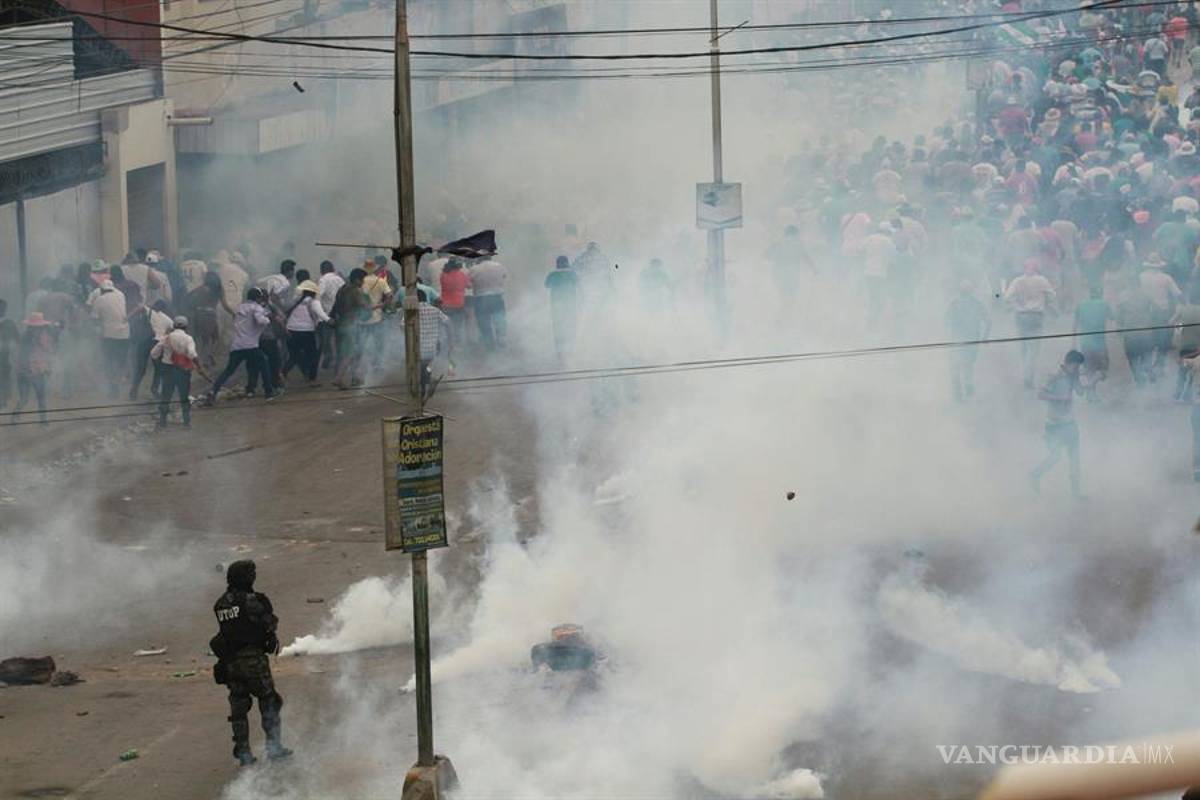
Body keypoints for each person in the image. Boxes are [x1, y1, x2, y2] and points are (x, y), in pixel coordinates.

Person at [211, 560, 291, 766]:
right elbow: (269, 624)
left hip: (230, 662)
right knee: (269, 701)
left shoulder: (221, 603)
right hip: (253, 660)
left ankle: (244, 753)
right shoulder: (254, 600)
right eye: (251, 573)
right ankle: (274, 748)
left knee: (238, 707)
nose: (254, 576)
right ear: (245, 577)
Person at [1030, 350, 1086, 498]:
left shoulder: (1073, 375)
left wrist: (1078, 378)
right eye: (1076, 366)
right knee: (1055, 457)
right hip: (1054, 425)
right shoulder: (1053, 376)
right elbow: (1040, 394)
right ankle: (1034, 475)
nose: (1078, 368)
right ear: (1068, 363)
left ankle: (1076, 494)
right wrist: (1059, 398)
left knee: (1075, 459)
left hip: (1070, 423)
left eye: (1079, 367)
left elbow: (1080, 392)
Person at [206, 288, 276, 402]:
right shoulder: (256, 308)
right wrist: (268, 318)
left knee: (228, 371)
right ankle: (269, 393)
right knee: (264, 365)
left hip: (237, 346)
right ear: (258, 298)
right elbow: (261, 321)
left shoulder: (239, 307)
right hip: (251, 346)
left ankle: (213, 391)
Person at [1004, 260, 1057, 388]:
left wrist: (1017, 303)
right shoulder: (1041, 280)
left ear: (1024, 268)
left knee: (1024, 348)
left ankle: (1026, 374)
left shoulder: (1017, 281)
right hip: (1036, 316)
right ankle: (1028, 377)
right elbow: (1052, 296)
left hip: (1021, 316)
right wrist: (1044, 301)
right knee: (1033, 350)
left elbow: (1007, 297)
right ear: (1036, 268)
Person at [1138, 253, 1182, 376]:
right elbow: (1178, 294)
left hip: (1145, 313)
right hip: (1162, 313)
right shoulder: (1166, 278)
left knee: (1147, 339)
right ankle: (1159, 366)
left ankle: (1146, 365)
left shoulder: (1140, 277)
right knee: (1163, 341)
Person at [945, 281, 989, 401]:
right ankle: (968, 385)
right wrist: (985, 337)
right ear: (972, 292)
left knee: (955, 365)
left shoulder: (954, 303)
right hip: (972, 339)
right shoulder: (978, 304)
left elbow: (945, 321)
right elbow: (987, 320)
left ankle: (958, 393)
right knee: (968, 364)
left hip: (957, 339)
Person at [151, 316, 198, 429]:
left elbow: (154, 354)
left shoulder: (166, 338)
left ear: (174, 326)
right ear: (186, 326)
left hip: (168, 370)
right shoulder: (188, 338)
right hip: (183, 371)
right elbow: (192, 354)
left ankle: (163, 422)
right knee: (184, 396)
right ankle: (186, 423)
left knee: (166, 396)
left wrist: (161, 363)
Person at [281, 280, 328, 385]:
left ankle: (283, 372)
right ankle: (312, 379)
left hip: (291, 331)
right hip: (306, 332)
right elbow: (322, 315)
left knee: (295, 356)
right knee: (313, 356)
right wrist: (330, 321)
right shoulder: (313, 302)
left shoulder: (296, 301)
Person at [12, 312, 55, 425]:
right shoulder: (39, 338)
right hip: (32, 372)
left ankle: (42, 420)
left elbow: (47, 355)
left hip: (29, 372)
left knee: (29, 398)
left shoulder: (27, 337)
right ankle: (43, 421)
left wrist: (47, 368)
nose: (37, 329)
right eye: (36, 327)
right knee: (33, 398)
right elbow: (47, 353)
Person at [1073, 286, 1114, 402]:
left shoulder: (1081, 305)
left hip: (1085, 343)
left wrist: (1073, 343)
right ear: (1101, 293)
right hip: (1100, 344)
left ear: (1089, 294)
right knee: (1103, 371)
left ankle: (1092, 395)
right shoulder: (1104, 304)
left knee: (1090, 369)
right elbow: (1113, 318)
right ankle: (1089, 386)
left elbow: (1075, 325)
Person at [90, 279, 129, 399]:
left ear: (102, 290)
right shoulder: (121, 295)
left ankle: (113, 387)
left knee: (109, 361)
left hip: (109, 335)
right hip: (124, 334)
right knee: (120, 361)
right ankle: (119, 381)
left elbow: (94, 318)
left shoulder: (100, 299)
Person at [331, 268, 369, 389]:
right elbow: (364, 306)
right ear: (357, 279)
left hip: (341, 324)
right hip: (351, 325)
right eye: (362, 280)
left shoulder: (342, 289)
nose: (363, 282)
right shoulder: (356, 291)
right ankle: (339, 379)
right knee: (350, 353)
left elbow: (335, 306)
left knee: (348, 352)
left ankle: (354, 377)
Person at [359, 258, 393, 372]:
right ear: (375, 268)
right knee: (378, 342)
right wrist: (381, 306)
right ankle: (376, 364)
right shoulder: (381, 281)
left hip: (362, 318)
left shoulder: (360, 281)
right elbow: (390, 295)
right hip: (377, 317)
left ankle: (361, 366)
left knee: (361, 343)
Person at [416, 288, 450, 401]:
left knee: (420, 368)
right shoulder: (435, 310)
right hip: (433, 345)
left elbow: (402, 325)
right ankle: (428, 384)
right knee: (427, 366)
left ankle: (425, 387)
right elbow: (447, 322)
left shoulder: (412, 311)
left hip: (418, 346)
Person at [469, 257, 507, 350]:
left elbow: (470, 284)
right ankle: (501, 340)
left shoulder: (474, 269)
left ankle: (489, 345)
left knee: (484, 323)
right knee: (499, 319)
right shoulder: (499, 266)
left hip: (481, 298)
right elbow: (504, 277)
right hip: (497, 297)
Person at [545, 255, 579, 360]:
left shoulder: (552, 275)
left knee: (558, 328)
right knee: (571, 326)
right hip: (571, 304)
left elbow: (547, 286)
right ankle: (571, 349)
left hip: (556, 305)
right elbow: (577, 285)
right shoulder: (573, 274)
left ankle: (560, 351)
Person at [1174, 284, 1200, 400]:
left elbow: (1176, 326)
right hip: (1197, 346)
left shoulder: (1183, 310)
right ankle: (1188, 395)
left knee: (1182, 371)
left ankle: (1178, 394)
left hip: (1184, 345)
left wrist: (1177, 343)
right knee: (1194, 371)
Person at [317, 261, 344, 371]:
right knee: (339, 340)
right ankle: (338, 362)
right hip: (340, 315)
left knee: (325, 340)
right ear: (332, 268)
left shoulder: (323, 280)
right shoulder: (339, 279)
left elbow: (318, 295)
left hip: (327, 315)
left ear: (321, 270)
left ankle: (328, 358)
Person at [439, 259, 471, 347]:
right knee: (458, 325)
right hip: (459, 304)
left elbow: (442, 285)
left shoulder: (443, 275)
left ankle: (447, 344)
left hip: (445, 304)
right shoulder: (462, 275)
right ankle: (457, 344)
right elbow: (469, 286)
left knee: (446, 325)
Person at [0, 299, 17, 408]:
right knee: (4, 377)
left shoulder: (9, 322)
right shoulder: (9, 322)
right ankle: (4, 399)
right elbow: (17, 337)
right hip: (4, 354)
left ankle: (3, 399)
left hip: (4, 355)